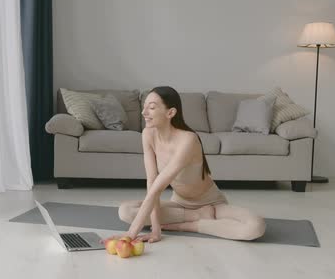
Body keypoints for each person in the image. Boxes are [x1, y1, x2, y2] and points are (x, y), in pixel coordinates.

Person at [103, 86, 266, 244]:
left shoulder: (188, 140)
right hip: (180, 204)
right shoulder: (148, 134)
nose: (144, 112)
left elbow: (158, 188)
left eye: (151, 107)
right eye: (144, 106)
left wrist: (131, 234)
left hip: (211, 204)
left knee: (256, 227)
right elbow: (152, 184)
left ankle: (190, 225)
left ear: (171, 112)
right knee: (125, 211)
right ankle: (195, 216)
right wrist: (156, 229)